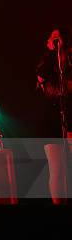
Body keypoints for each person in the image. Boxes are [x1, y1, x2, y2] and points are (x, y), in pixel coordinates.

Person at [37, 28, 71, 204]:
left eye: (60, 36)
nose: (57, 39)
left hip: (70, 115)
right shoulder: (48, 60)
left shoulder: (69, 60)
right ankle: (59, 209)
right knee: (56, 168)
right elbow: (41, 77)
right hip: (52, 119)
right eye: (53, 37)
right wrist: (53, 53)